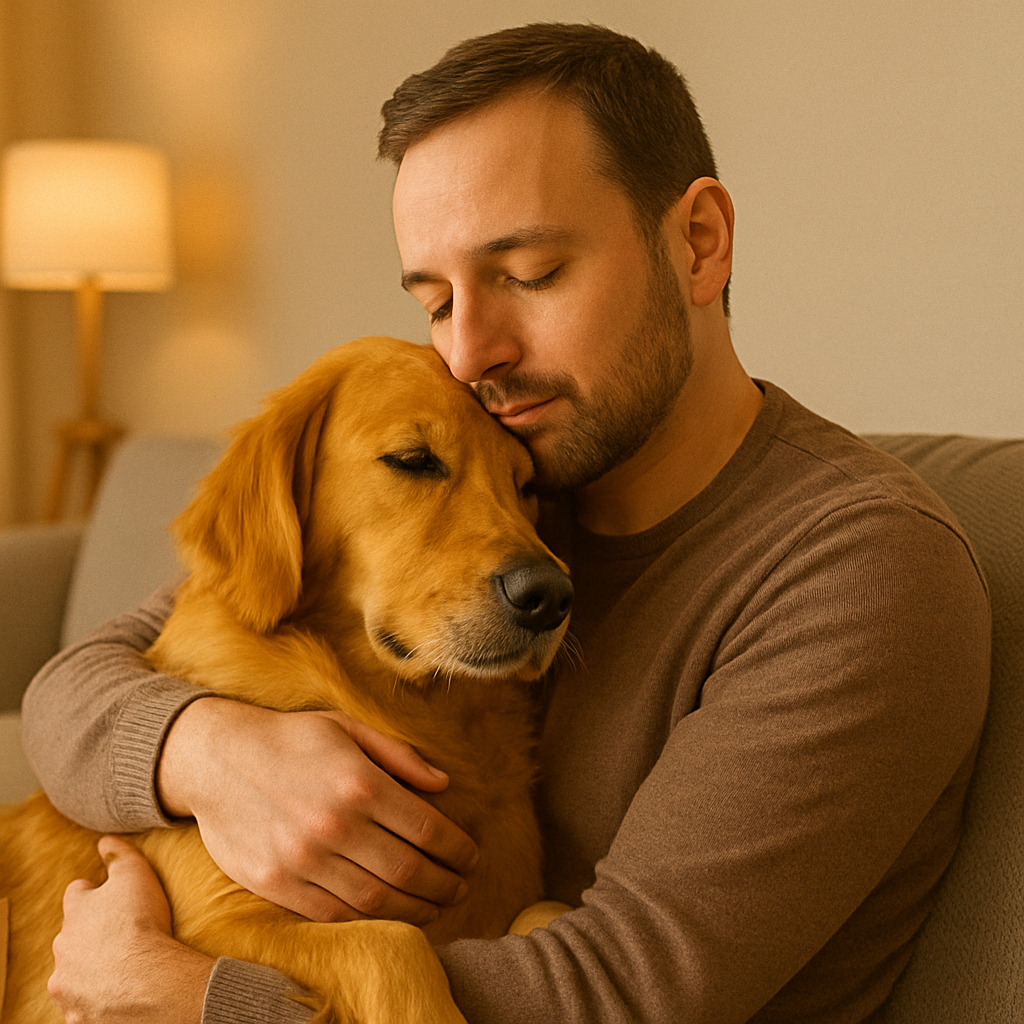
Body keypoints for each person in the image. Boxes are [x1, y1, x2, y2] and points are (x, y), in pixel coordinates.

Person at [23, 22, 990, 1024]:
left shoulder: (858, 567)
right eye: (436, 299)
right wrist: (201, 748)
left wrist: (193, 998)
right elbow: (74, 686)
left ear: (697, 243)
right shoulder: (520, 486)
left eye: (528, 272)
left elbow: (617, 992)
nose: (470, 351)